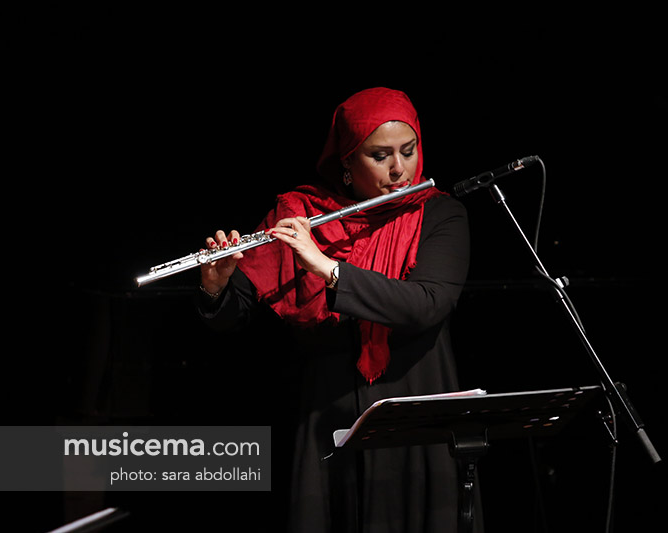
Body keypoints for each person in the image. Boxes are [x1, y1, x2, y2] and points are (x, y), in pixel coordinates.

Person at [197, 87, 480, 532]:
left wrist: (328, 268)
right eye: (380, 156)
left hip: (418, 412)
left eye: (408, 151)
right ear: (347, 162)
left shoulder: (441, 214)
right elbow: (235, 314)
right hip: (327, 414)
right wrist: (216, 286)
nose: (400, 169)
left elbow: (427, 304)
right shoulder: (300, 214)